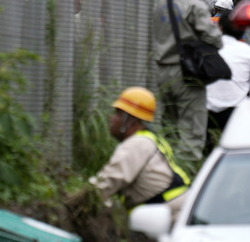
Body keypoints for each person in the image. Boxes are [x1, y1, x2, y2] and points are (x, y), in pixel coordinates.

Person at [151, 0, 223, 170]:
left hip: (162, 72)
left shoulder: (160, 5)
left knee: (170, 128)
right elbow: (214, 39)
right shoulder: (195, 6)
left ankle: (167, 174)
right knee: (191, 131)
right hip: (187, 74)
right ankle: (186, 179)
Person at [82, 87, 192, 224]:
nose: (112, 119)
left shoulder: (137, 144)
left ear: (131, 121)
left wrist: (81, 201)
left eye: (118, 114)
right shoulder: (147, 140)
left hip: (170, 216)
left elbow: (110, 179)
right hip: (174, 211)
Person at [204, 12, 250, 155]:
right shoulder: (249, 52)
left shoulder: (206, 48)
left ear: (220, 27)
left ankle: (204, 149)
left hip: (205, 110)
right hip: (235, 111)